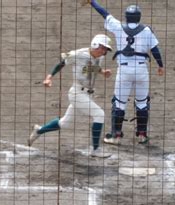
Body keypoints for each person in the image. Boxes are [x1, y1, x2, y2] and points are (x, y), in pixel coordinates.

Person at [87, 0, 165, 145]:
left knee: (119, 103)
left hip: (124, 71)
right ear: (139, 17)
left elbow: (105, 14)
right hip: (142, 71)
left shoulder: (118, 27)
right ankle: (142, 135)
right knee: (142, 102)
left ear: (126, 16)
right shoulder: (147, 30)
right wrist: (160, 65)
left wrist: (92, 2)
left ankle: (116, 136)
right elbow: (155, 50)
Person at [28, 34, 113, 158]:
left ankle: (39, 130)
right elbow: (61, 63)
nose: (105, 51)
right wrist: (48, 78)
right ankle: (96, 150)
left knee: (64, 123)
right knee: (99, 114)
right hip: (77, 93)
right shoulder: (78, 54)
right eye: (103, 48)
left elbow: (91, 68)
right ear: (95, 44)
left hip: (86, 94)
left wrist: (102, 72)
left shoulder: (99, 58)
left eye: (106, 49)